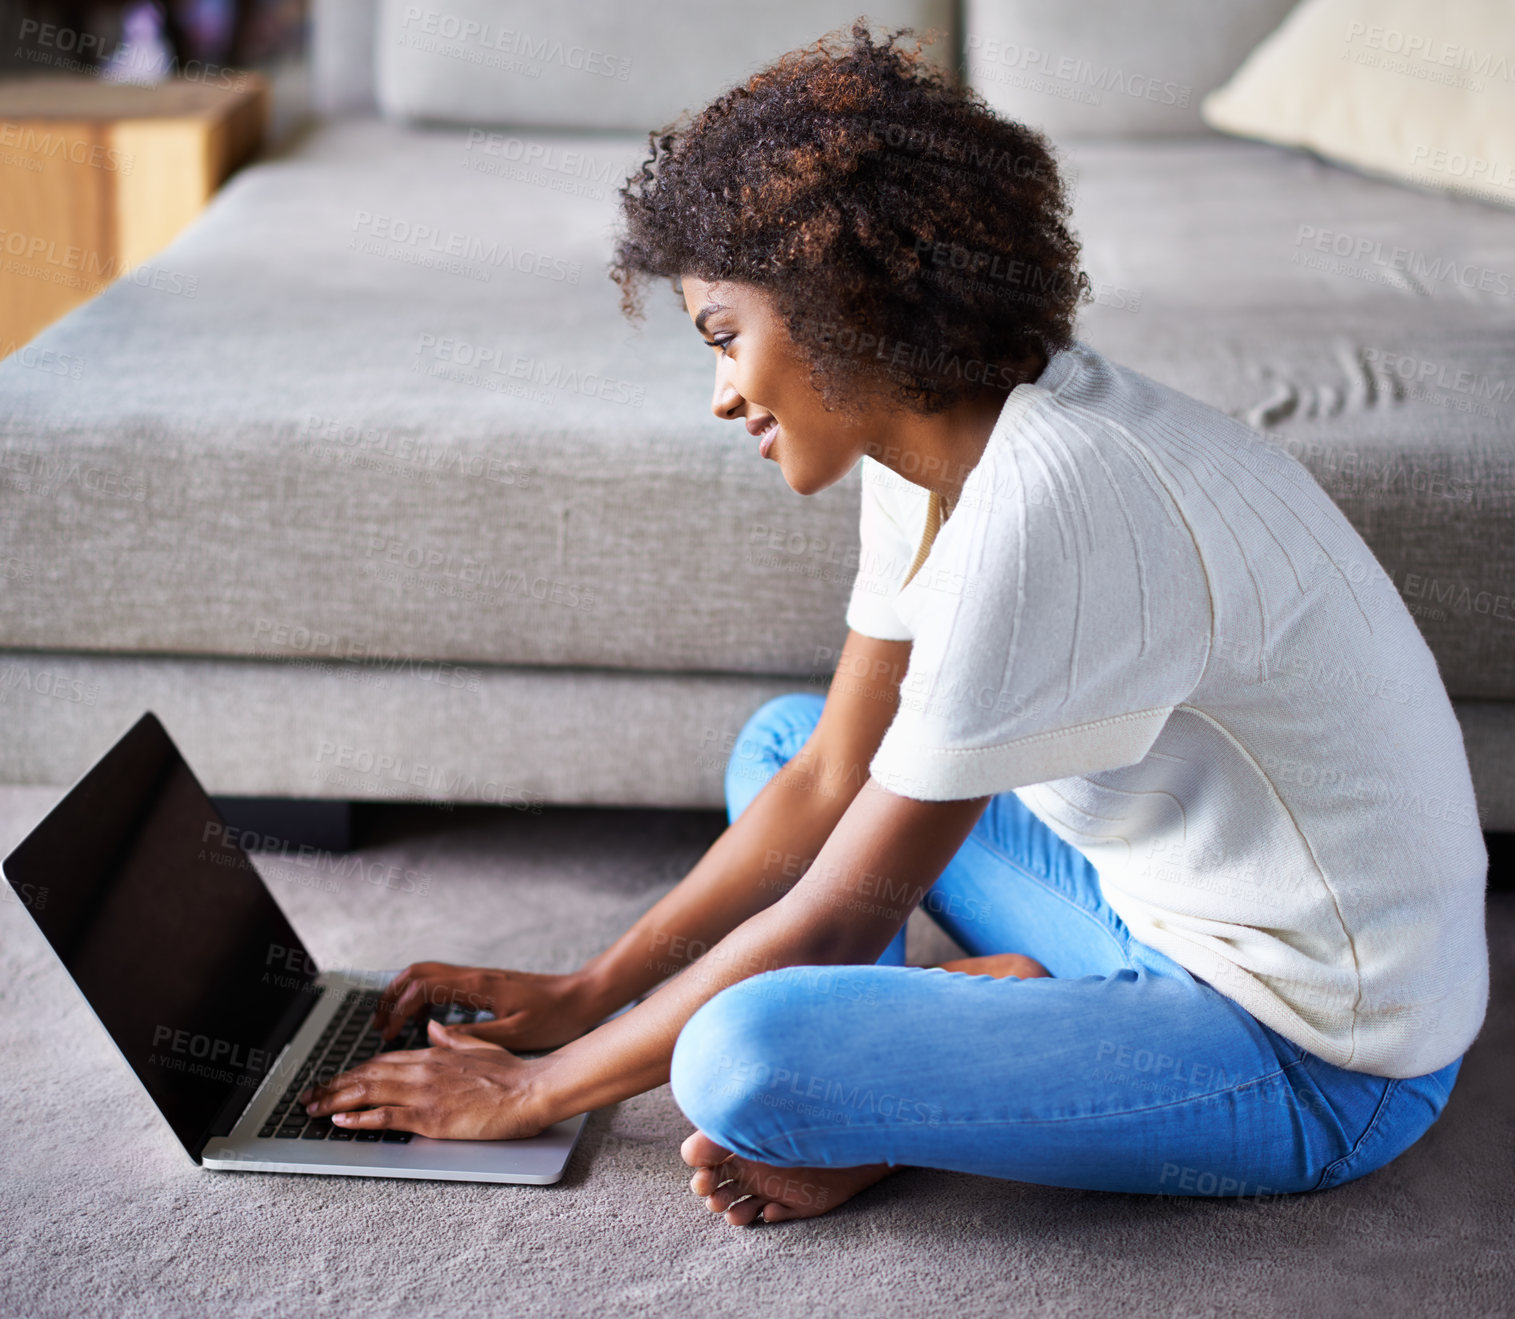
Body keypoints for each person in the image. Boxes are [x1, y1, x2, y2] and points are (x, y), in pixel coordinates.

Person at [301, 21, 1489, 1226]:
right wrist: (584, 988)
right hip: (1161, 909)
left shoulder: (1053, 494)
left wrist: (537, 1086)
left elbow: (842, 909)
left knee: (739, 1056)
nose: (721, 394)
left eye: (725, 337)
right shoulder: (927, 445)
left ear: (842, 306)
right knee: (784, 744)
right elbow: (829, 776)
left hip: (1321, 1053)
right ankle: (949, 1050)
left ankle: (897, 1078)